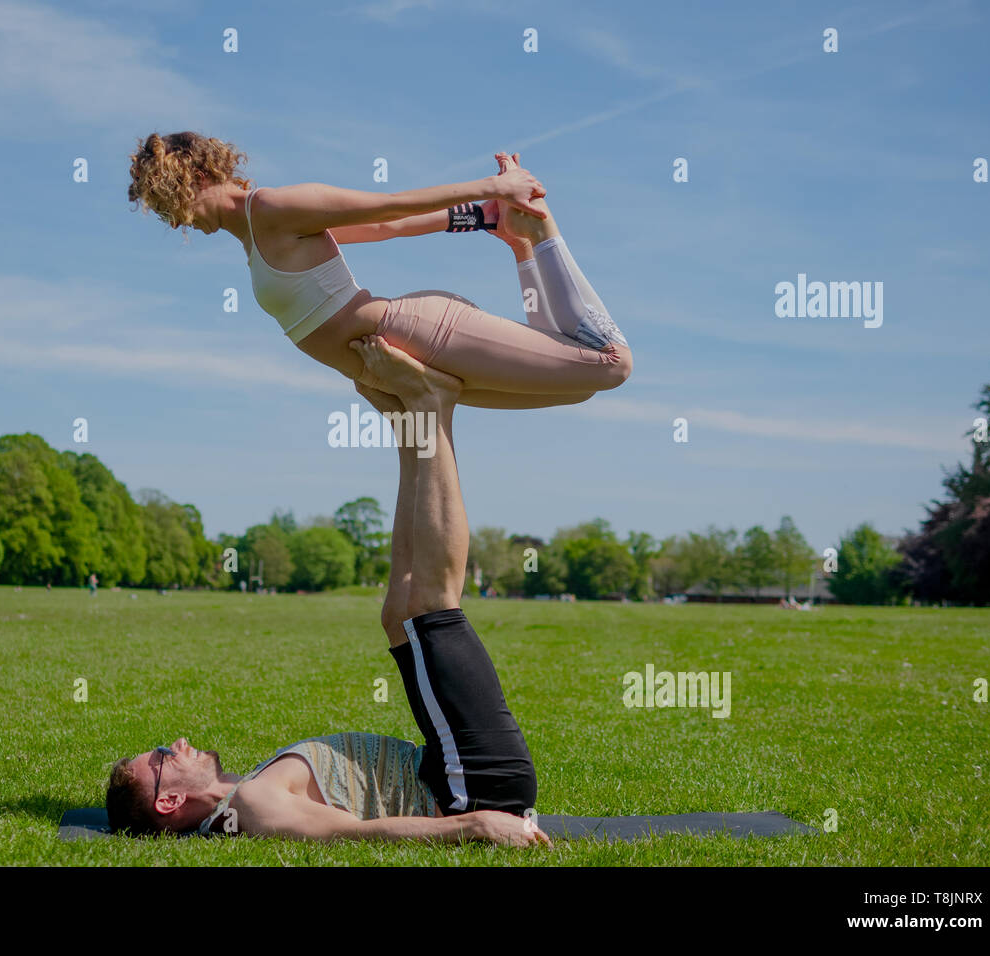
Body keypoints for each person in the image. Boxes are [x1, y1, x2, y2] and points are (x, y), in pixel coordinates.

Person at [105, 336, 549, 846]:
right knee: (432, 604)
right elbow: (357, 835)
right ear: (169, 802)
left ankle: (409, 426)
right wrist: (472, 825)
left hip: (448, 771)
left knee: (398, 612)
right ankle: (431, 406)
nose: (176, 743)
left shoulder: (244, 796)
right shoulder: (254, 806)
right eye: (163, 755)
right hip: (471, 787)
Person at [128, 132, 631, 410]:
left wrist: (491, 188)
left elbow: (387, 208)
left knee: (611, 365)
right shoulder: (256, 238)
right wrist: (478, 216)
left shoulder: (275, 208)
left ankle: (542, 234)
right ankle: (523, 245)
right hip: (395, 364)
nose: (174, 220)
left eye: (167, 201)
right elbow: (385, 231)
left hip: (411, 329)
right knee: (576, 387)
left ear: (194, 177)